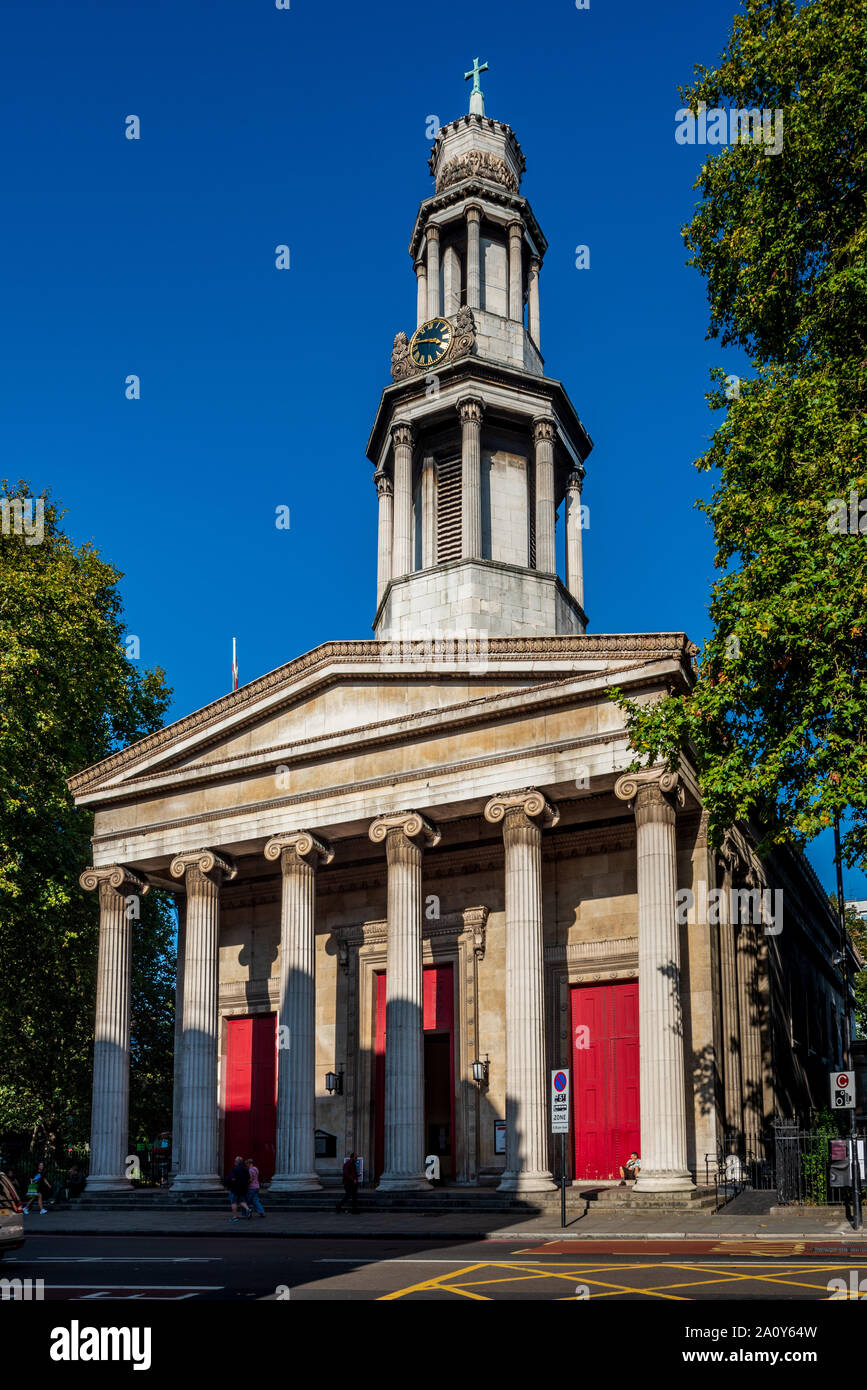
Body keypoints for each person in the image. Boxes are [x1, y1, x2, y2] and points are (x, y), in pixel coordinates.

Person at [228, 1154, 250, 1221]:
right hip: (243, 1188)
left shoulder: (236, 1168)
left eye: (235, 1161)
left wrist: (229, 1181)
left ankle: (234, 1217)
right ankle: (248, 1209)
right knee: (241, 1200)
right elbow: (249, 1178)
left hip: (235, 1188)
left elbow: (233, 1179)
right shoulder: (246, 1169)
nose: (234, 1162)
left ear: (236, 1162)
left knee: (233, 1202)